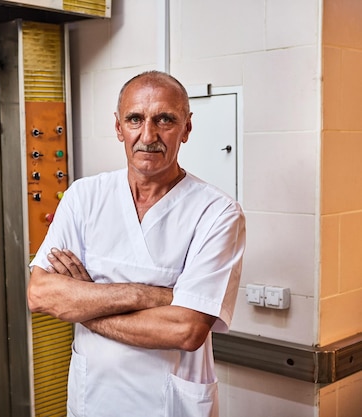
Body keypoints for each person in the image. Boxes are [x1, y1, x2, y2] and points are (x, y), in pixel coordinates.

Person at [27, 70, 246, 417]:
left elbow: (186, 330)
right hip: (92, 400)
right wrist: (148, 295)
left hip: (170, 405)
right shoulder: (85, 197)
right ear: (118, 127)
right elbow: (41, 294)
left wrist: (85, 306)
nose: (149, 135)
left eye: (165, 120)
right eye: (135, 119)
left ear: (186, 128)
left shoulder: (217, 213)